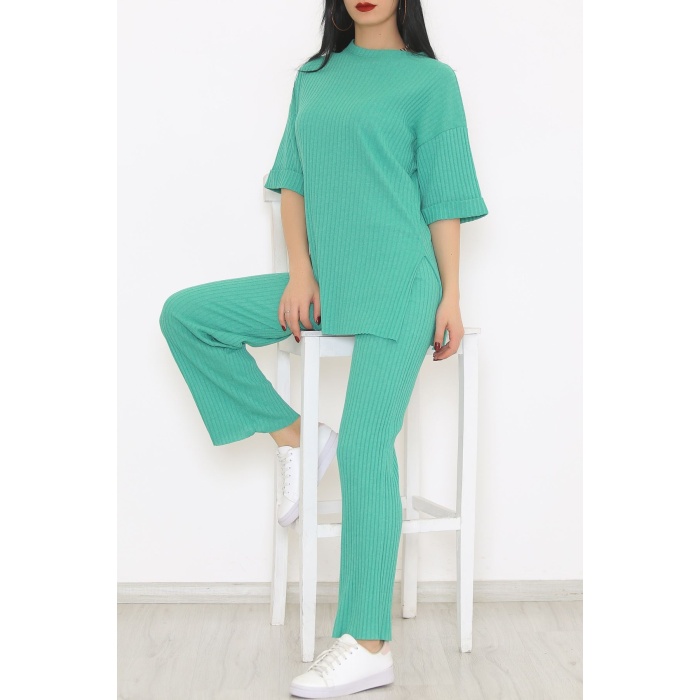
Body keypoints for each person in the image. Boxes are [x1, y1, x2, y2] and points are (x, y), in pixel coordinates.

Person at [159, 0, 488, 697]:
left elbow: (444, 198)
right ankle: (298, 436)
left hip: (401, 283)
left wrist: (451, 294)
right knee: (187, 317)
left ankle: (367, 643)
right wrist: (300, 271)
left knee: (367, 445)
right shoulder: (314, 77)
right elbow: (293, 183)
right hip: (327, 281)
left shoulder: (432, 82)